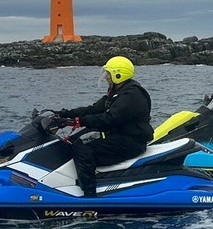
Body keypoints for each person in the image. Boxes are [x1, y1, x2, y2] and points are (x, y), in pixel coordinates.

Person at [53, 56, 153, 197]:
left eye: (109, 74)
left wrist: (79, 121)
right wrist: (63, 114)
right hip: (119, 135)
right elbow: (93, 109)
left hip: (131, 141)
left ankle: (89, 194)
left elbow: (109, 118)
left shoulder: (132, 94)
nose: (106, 77)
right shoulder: (117, 92)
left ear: (118, 75)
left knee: (82, 149)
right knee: (74, 140)